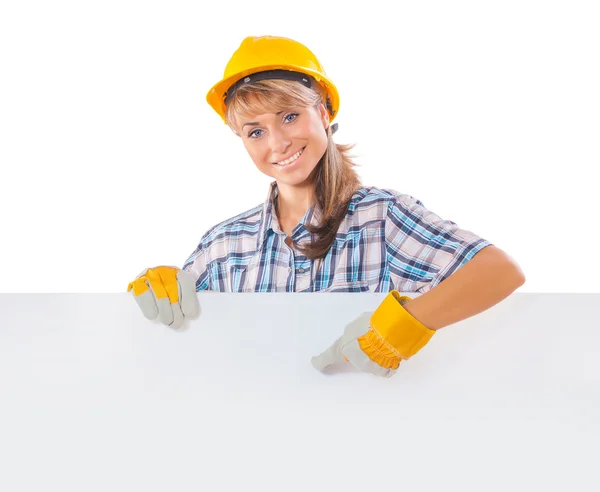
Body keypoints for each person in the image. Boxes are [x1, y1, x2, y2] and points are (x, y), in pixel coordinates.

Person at [127, 35, 526, 378]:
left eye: (289, 116)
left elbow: (498, 271)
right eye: (255, 131)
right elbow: (177, 346)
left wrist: (406, 326)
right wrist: (158, 286)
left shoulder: (381, 218)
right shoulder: (224, 245)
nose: (277, 143)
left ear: (322, 113)